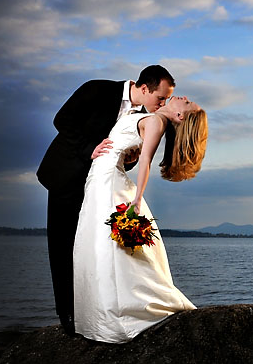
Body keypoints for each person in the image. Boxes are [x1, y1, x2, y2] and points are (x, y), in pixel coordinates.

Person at [37, 65, 175, 335]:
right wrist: (90, 148)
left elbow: (123, 152)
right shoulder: (97, 89)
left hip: (102, 186)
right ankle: (67, 315)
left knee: (98, 248)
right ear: (144, 88)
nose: (163, 104)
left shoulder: (146, 117)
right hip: (68, 178)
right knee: (63, 245)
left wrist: (130, 159)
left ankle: (100, 308)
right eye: (161, 98)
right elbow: (62, 120)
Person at [72, 96, 208, 343]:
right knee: (97, 245)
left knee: (108, 248)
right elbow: (135, 153)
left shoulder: (156, 121)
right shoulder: (152, 117)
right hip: (102, 178)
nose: (185, 98)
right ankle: (103, 314)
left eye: (188, 105)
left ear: (179, 117)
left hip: (110, 183)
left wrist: (137, 198)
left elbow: (146, 160)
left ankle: (122, 314)